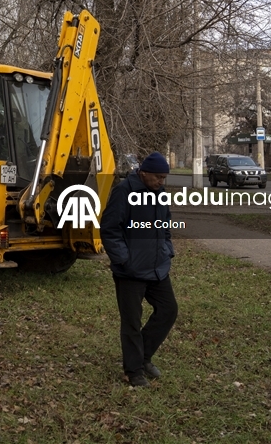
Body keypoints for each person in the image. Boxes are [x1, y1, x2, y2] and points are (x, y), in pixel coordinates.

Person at [100, 151, 178, 388]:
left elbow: (165, 225)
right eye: (158, 177)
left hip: (157, 268)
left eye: (164, 178)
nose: (161, 182)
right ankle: (133, 371)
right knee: (132, 322)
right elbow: (109, 229)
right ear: (144, 173)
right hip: (130, 272)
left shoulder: (160, 194)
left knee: (168, 310)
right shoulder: (124, 191)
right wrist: (125, 259)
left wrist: (167, 249)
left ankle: (142, 357)